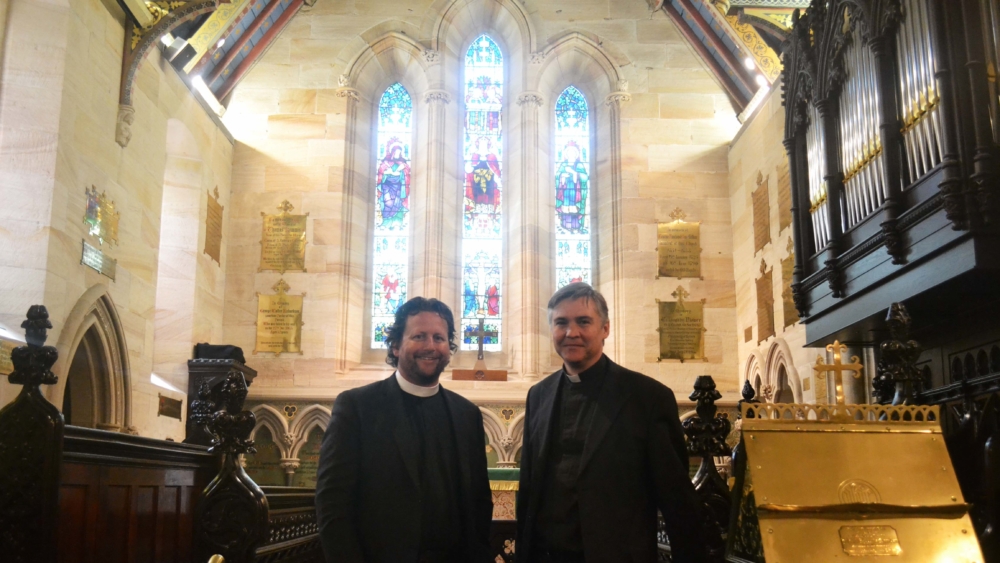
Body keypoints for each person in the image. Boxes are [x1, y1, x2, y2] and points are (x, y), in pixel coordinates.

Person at [516, 283, 712, 563]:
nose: (571, 333)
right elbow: (529, 491)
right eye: (561, 323)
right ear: (552, 330)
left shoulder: (648, 397)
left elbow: (677, 501)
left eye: (583, 322)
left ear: (605, 328)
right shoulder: (539, 395)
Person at [315, 297, 493, 563]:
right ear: (396, 345)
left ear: (449, 346)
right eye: (419, 336)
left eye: (439, 338)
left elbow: (479, 503)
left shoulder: (466, 414)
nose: (430, 346)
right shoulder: (358, 407)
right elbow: (333, 504)